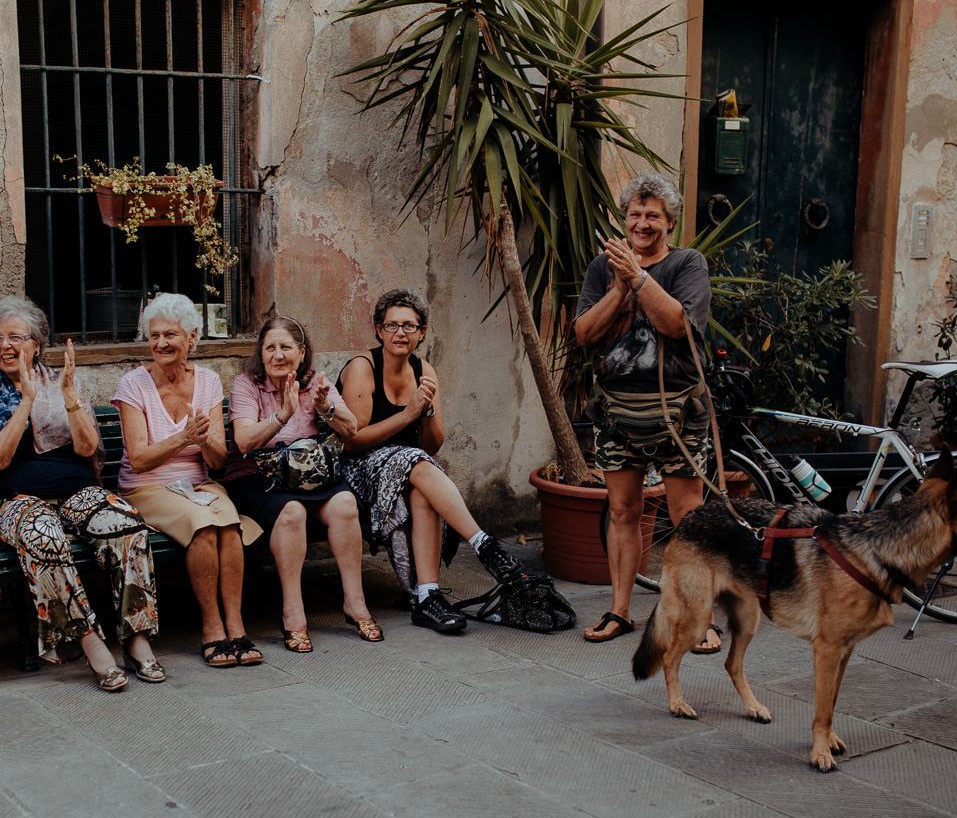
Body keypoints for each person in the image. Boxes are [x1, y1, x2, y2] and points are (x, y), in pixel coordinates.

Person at [0, 294, 164, 690]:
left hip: (75, 490)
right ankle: (92, 643)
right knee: (43, 537)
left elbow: (85, 449)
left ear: (37, 343)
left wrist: (70, 399)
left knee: (125, 524)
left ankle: (136, 637)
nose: (5, 346)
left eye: (16, 336)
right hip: (13, 499)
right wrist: (26, 401)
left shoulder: (61, 379)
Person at [573, 173, 719, 650]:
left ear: (670, 221)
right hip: (617, 411)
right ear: (624, 218)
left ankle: (701, 620)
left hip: (679, 410)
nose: (642, 223)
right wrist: (619, 285)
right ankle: (620, 610)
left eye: (652, 215)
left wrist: (638, 278)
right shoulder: (602, 269)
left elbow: (678, 323)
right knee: (622, 511)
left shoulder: (687, 264)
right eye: (635, 214)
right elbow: (584, 334)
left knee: (688, 515)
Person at [337, 288, 538, 633]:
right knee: (414, 462)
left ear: (422, 333)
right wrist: (407, 415)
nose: (400, 333)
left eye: (409, 326)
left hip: (410, 470)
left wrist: (426, 411)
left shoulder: (423, 369)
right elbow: (352, 443)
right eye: (392, 325)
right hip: (361, 471)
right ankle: (483, 544)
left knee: (421, 487)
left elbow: (432, 444)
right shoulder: (363, 367)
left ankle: (427, 597)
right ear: (378, 330)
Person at [114, 294, 264, 668]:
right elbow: (139, 458)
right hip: (146, 488)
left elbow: (216, 461)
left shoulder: (209, 382)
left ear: (192, 338)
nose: (161, 343)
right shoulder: (134, 385)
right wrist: (183, 438)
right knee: (202, 525)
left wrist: (204, 440)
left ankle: (236, 625)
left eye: (171, 335)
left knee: (228, 523)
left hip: (197, 484)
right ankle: (212, 628)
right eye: (154, 336)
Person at [221, 315, 380, 652]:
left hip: (308, 475)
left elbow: (351, 428)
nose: (278, 355)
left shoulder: (315, 383)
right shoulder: (246, 385)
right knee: (291, 512)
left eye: (286, 347)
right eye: (270, 348)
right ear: (261, 353)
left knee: (344, 504)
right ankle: (293, 611)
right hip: (258, 478)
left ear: (302, 351)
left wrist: (325, 406)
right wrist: (281, 414)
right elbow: (245, 441)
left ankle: (355, 602)